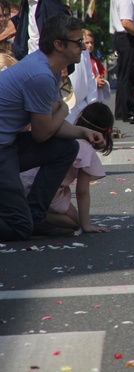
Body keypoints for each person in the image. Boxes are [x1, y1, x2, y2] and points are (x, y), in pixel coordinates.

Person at [0, 15, 105, 241]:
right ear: (59, 45)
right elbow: (42, 133)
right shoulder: (41, 75)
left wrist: (83, 132)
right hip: (2, 147)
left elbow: (52, 123)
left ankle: (36, 215)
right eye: (78, 42)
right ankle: (27, 219)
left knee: (67, 148)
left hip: (8, 143)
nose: (83, 47)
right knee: (19, 228)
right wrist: (65, 111)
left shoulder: (51, 69)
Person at [20, 102, 113, 233]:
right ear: (107, 131)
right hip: (47, 189)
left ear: (80, 117)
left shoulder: (63, 134)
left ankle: (23, 210)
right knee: (76, 223)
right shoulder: (87, 150)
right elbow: (82, 192)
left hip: (22, 179)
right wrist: (86, 225)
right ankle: (27, 214)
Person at [83, 30, 110, 102]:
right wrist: (95, 82)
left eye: (92, 42)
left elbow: (101, 74)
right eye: (87, 43)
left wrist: (102, 81)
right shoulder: (79, 61)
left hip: (97, 96)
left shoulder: (95, 60)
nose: (90, 45)